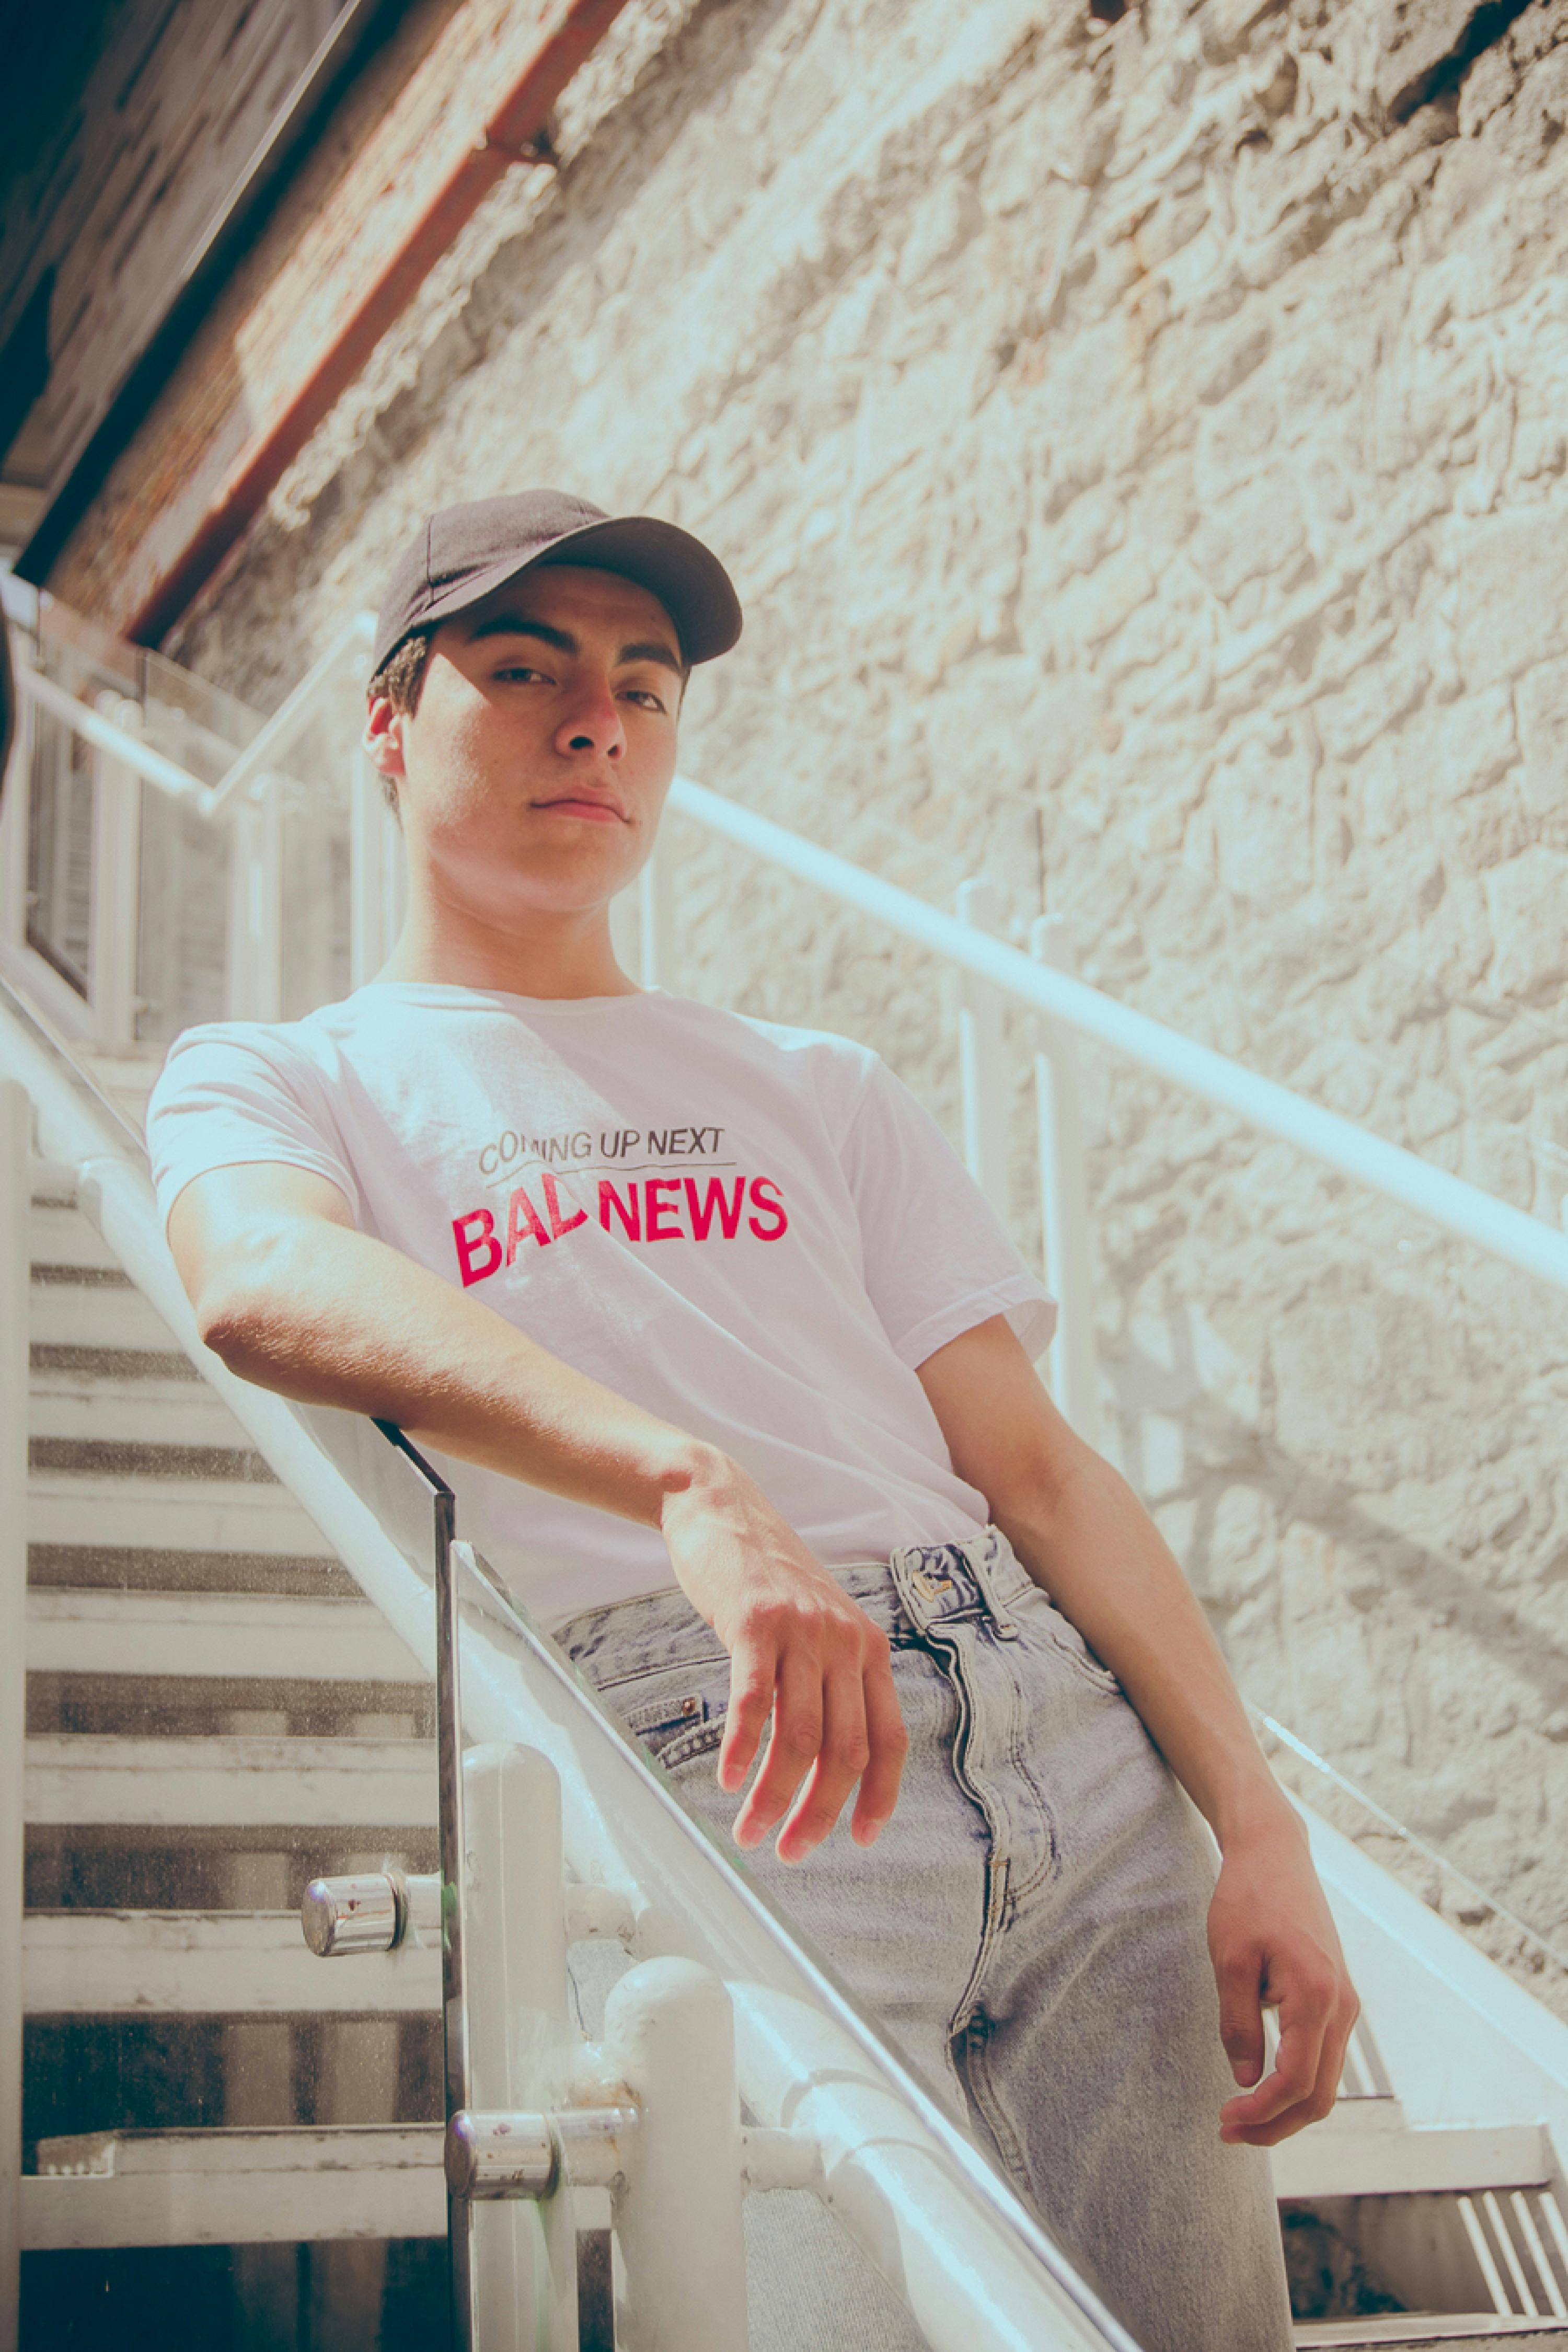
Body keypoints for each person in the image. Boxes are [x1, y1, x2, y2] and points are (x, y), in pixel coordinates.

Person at [148, 488, 1354, 2352]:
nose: (598, 721)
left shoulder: (820, 1084)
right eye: (526, 667)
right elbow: (257, 1280)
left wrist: (1259, 1817)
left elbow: (1038, 1470)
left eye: (644, 685)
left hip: (1079, 1776)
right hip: (728, 1772)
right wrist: (681, 1477)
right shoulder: (289, 1072)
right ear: (388, 728)